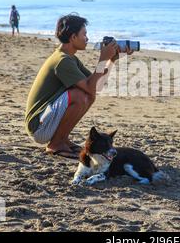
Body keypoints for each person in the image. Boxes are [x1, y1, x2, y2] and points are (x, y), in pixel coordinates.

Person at [24, 13, 131, 159]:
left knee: (88, 95)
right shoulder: (62, 60)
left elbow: (96, 85)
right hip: (39, 126)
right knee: (79, 95)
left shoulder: (70, 58)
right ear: (73, 37)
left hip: (46, 120)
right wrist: (102, 58)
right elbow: (89, 86)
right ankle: (55, 144)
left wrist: (111, 59)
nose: (87, 39)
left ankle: (62, 139)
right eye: (84, 34)